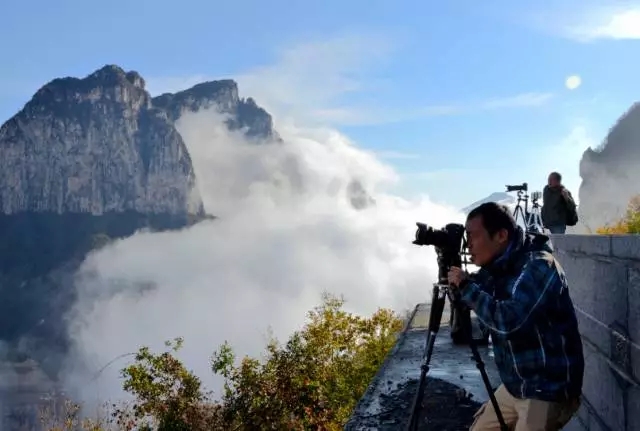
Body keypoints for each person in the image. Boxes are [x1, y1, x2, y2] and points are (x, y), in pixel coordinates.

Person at [447, 202, 584, 431]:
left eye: (473, 236)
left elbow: (508, 323)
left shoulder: (539, 266)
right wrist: (458, 284)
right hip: (517, 385)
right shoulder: (498, 267)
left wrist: (466, 287)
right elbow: (477, 298)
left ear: (501, 235)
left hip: (547, 387)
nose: (468, 245)